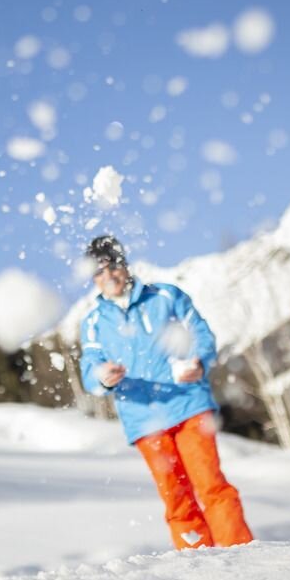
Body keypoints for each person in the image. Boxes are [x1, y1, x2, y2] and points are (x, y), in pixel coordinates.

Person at [78, 235, 253, 551]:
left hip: (188, 404)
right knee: (176, 498)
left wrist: (199, 361)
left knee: (210, 485)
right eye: (99, 271)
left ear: (125, 265)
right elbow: (89, 370)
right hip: (144, 419)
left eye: (113, 266)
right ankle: (199, 562)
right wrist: (103, 376)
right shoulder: (93, 323)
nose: (108, 276)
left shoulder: (165, 296)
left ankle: (240, 553)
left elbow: (201, 334)